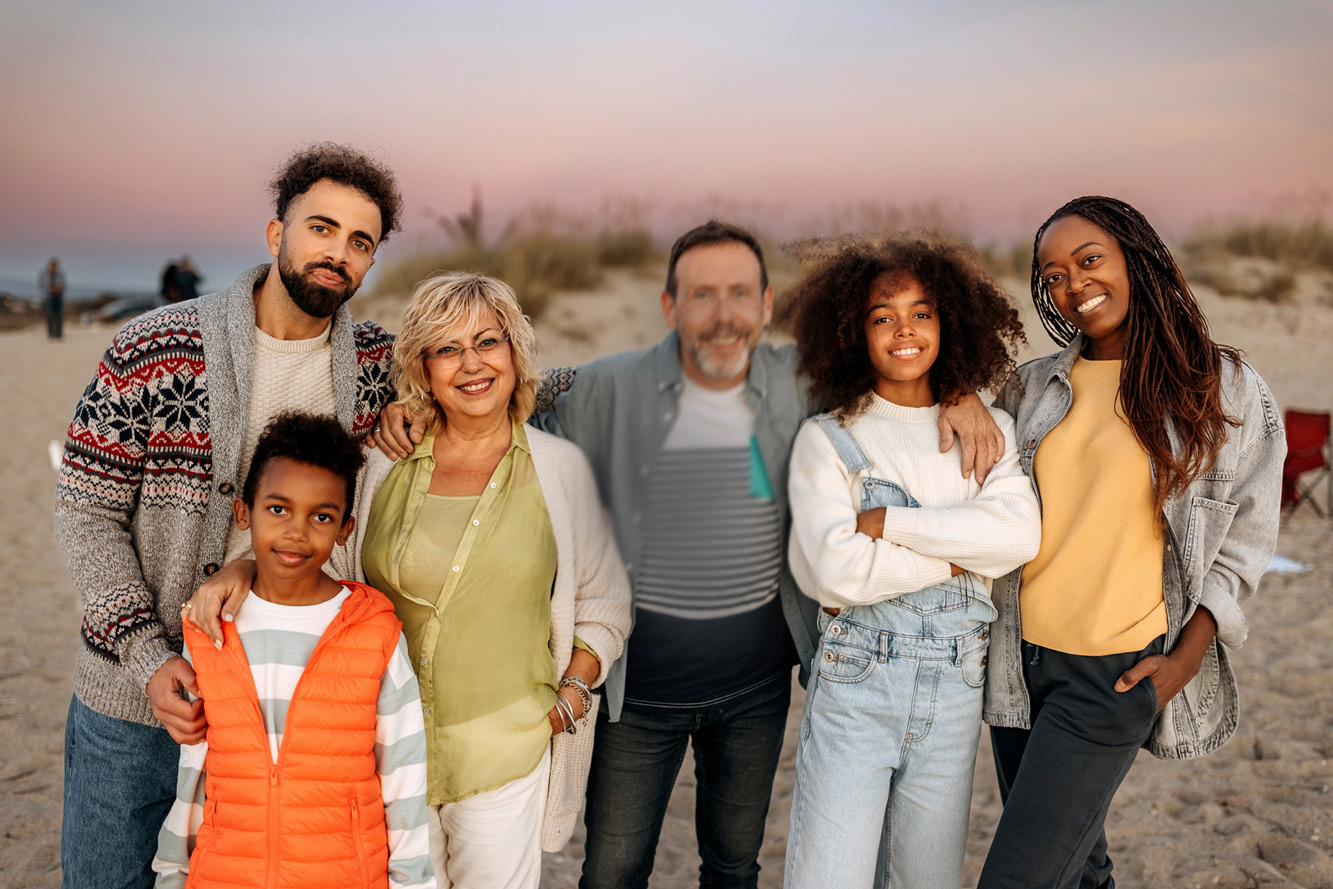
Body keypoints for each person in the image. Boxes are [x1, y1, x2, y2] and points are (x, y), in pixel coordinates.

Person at [374, 219, 1007, 889]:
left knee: (733, 865)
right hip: (636, 696)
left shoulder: (801, 382)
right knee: (613, 869)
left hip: (754, 693)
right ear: (670, 307)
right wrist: (411, 410)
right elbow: (513, 402)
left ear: (766, 304)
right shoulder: (606, 390)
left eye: (739, 292)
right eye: (701, 294)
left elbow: (897, 370)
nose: (722, 312)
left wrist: (961, 391)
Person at [189, 273, 632, 889]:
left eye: (488, 342)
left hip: (506, 753)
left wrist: (568, 701)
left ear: (515, 353)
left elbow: (606, 605)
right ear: (423, 367)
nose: (471, 364)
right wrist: (243, 564)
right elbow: (326, 561)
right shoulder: (379, 464)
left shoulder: (562, 471)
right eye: (447, 348)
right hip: (383, 754)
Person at [54, 142, 403, 889]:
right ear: (276, 235)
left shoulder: (378, 366)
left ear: (370, 263)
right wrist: (149, 658)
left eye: (359, 241)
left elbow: (497, 378)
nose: (337, 253)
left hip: (281, 713)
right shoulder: (154, 347)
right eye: (321, 228)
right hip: (134, 702)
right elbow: (86, 512)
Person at [979, 196, 1286, 888]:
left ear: (1134, 258)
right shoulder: (1028, 387)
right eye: (1052, 274)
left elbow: (1246, 537)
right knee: (1078, 868)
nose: (1072, 285)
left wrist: (1187, 653)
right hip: (1018, 665)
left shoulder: (1221, 385)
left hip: (1111, 678)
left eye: (1089, 260)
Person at [781, 236, 1040, 889]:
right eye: (881, 316)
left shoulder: (989, 432)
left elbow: (1016, 537)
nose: (904, 330)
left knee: (923, 877)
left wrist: (890, 525)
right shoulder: (829, 437)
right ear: (852, 332)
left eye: (921, 311)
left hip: (956, 686)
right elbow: (832, 572)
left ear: (948, 320)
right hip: (855, 680)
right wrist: (958, 561)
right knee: (827, 876)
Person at [152, 413, 435, 889]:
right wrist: (174, 873)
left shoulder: (375, 632)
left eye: (321, 516)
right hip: (226, 874)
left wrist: (411, 882)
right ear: (244, 513)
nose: (296, 531)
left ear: (345, 529)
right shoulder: (208, 628)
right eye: (278, 509)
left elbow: (405, 774)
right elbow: (195, 774)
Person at [41, 257, 66, 338]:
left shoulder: (60, 275)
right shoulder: (45, 275)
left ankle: (59, 334)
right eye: (52, 266)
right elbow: (42, 285)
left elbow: (64, 285)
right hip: (49, 297)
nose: (53, 268)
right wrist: (50, 289)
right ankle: (51, 334)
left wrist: (59, 289)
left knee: (59, 316)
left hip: (58, 297)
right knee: (50, 315)